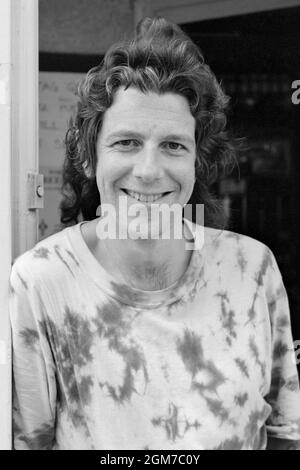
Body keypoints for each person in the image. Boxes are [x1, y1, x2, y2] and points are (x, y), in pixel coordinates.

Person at [9, 17, 300, 450]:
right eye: (126, 142)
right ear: (89, 158)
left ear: (196, 163)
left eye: (173, 145)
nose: (148, 171)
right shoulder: (42, 282)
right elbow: (28, 443)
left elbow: (284, 433)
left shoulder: (253, 270)